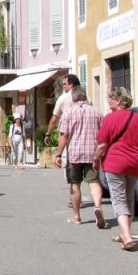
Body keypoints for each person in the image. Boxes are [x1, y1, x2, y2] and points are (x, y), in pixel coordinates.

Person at [93, 87, 138, 251]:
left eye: (111, 98)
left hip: (115, 163)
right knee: (129, 199)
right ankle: (123, 233)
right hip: (134, 163)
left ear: (119, 101)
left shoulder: (109, 118)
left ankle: (127, 237)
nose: (108, 101)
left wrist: (95, 159)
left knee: (118, 200)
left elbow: (102, 145)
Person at [55, 86, 104, 226]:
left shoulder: (68, 113)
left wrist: (58, 154)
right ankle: (97, 207)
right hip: (92, 153)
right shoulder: (96, 112)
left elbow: (64, 135)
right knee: (94, 182)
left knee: (75, 184)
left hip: (74, 153)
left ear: (74, 98)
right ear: (85, 97)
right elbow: (103, 134)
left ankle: (76, 216)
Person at [46, 74, 81, 202]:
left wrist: (48, 133)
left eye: (64, 84)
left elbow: (54, 118)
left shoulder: (63, 98)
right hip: (85, 138)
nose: (63, 86)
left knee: (72, 169)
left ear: (71, 84)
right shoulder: (86, 98)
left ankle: (74, 198)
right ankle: (94, 203)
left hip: (69, 138)